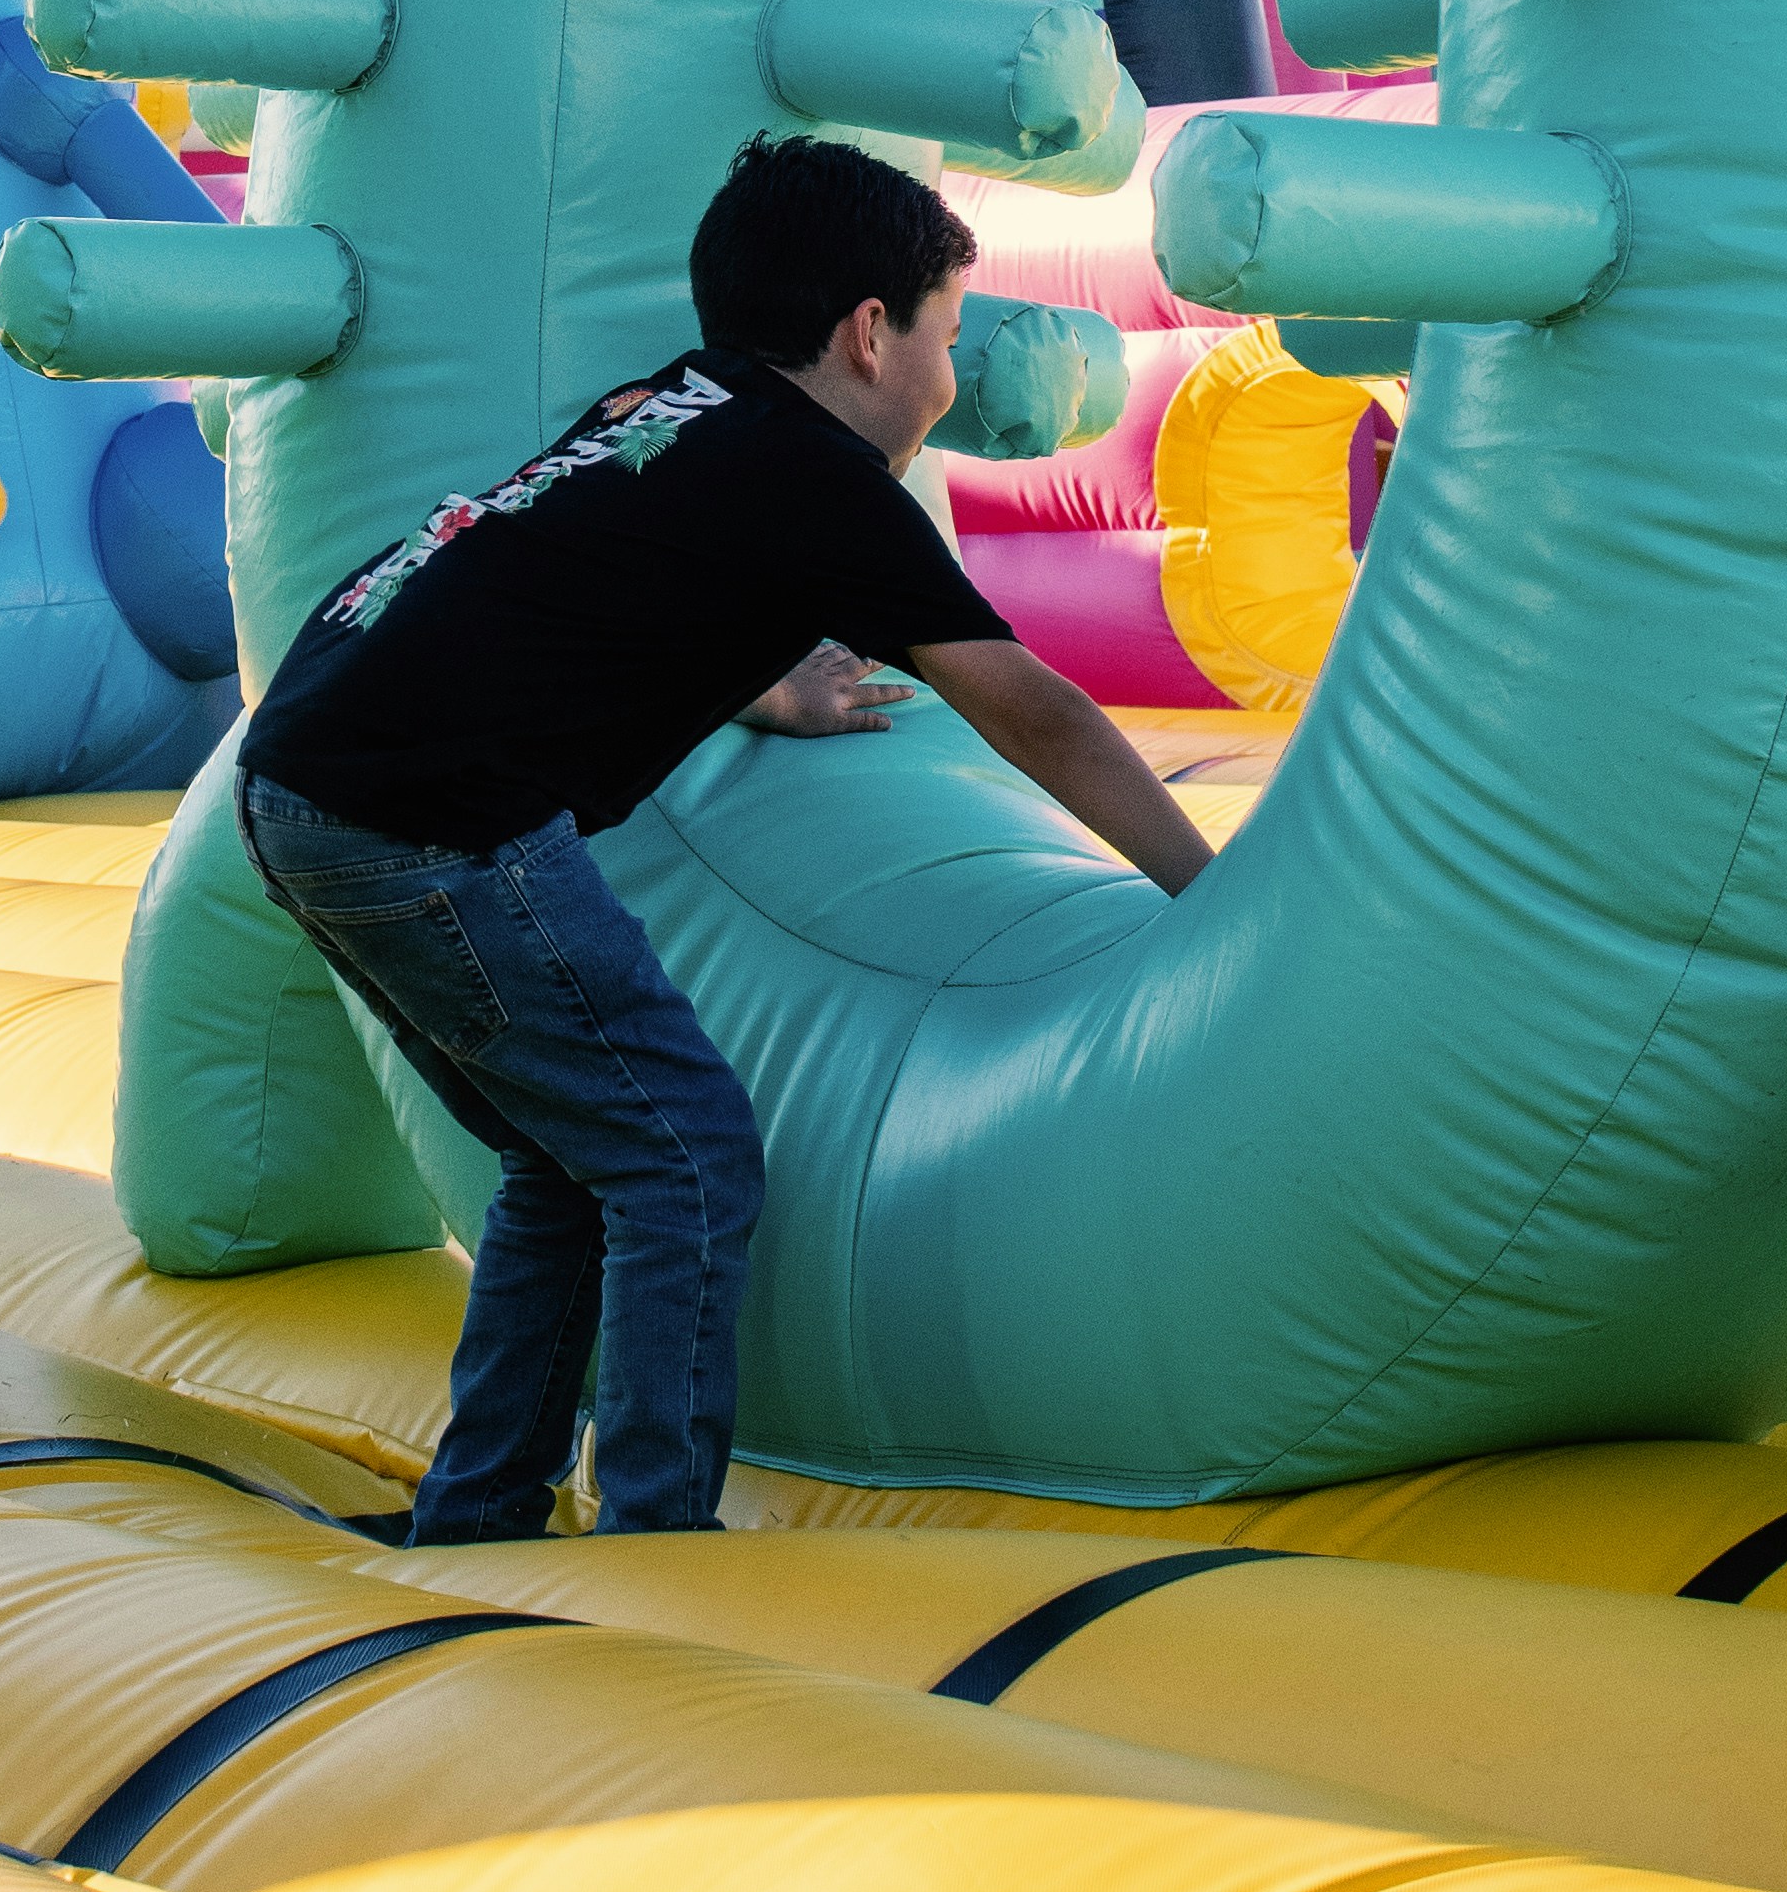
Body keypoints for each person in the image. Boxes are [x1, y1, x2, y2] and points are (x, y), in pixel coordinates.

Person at [237, 134, 1213, 1545]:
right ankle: (653, 1539)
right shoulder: (824, 480)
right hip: (427, 816)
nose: (948, 377)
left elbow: (598, 576)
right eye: (945, 337)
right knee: (682, 1156)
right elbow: (1031, 711)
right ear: (869, 334)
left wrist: (765, 686)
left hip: (307, 771)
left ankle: (482, 1512)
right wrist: (1205, 889)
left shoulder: (674, 402)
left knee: (568, 1156)